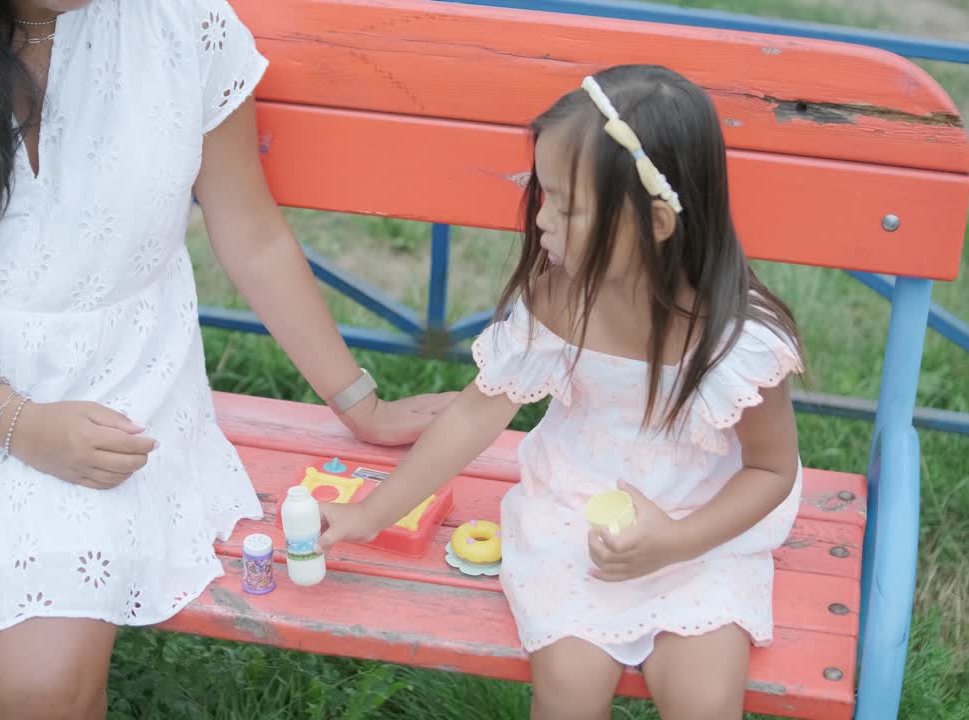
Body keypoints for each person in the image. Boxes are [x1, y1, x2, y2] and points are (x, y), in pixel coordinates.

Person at [0, 1, 450, 718]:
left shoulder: (184, 24)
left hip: (104, 384)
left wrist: (358, 400)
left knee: (37, 689)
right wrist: (13, 421)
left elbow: (251, 234)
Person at [318, 65, 806, 720]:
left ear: (658, 221)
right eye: (540, 194)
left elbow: (771, 470)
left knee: (704, 701)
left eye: (567, 206)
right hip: (576, 509)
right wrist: (372, 515)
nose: (542, 220)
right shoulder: (559, 298)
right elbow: (473, 414)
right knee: (568, 693)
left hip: (703, 527)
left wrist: (678, 542)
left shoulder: (735, 340)